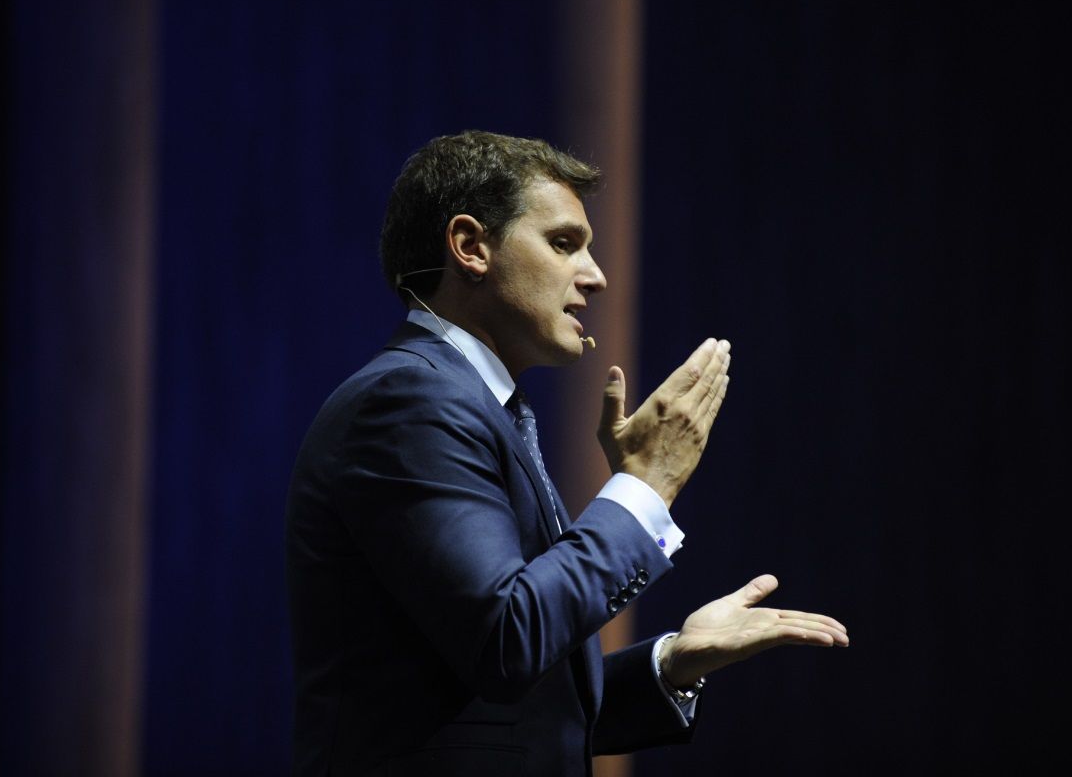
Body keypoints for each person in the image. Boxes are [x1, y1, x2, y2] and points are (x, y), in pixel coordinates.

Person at [285, 131, 848, 776]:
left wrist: (673, 662)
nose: (597, 276)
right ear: (471, 247)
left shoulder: (473, 405)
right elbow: (509, 640)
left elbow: (513, 709)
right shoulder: (411, 401)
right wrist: (643, 488)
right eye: (563, 244)